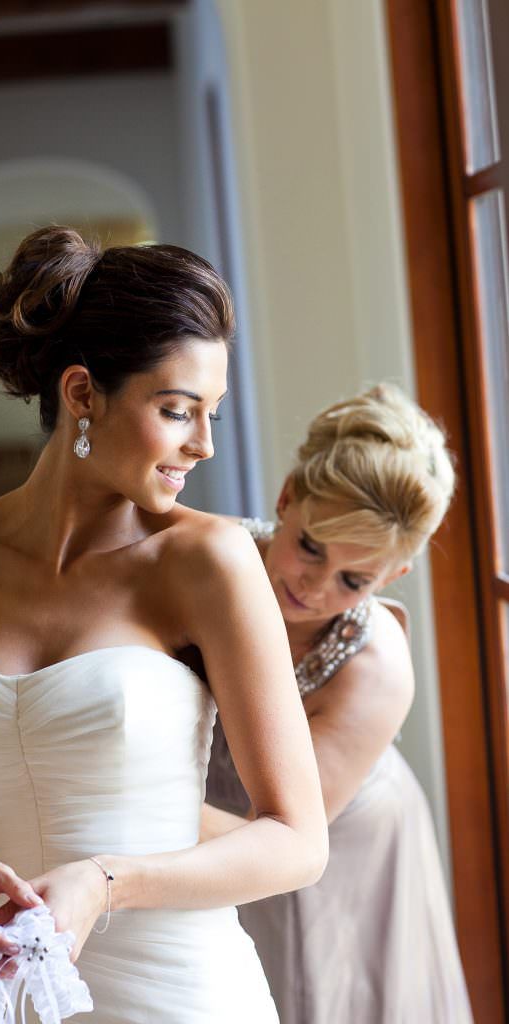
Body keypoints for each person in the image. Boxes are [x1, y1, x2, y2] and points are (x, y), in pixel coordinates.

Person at [0, 225, 328, 1023]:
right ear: (82, 393)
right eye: (177, 410)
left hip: (180, 990)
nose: (203, 444)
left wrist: (106, 882)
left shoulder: (208, 561)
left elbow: (298, 840)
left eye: (212, 413)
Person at [204, 384, 473, 1023]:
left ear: (391, 578)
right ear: (287, 498)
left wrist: (118, 802)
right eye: (310, 547)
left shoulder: (375, 666)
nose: (314, 587)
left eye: (355, 580)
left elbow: (279, 842)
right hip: (214, 817)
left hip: (334, 847)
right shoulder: (201, 560)